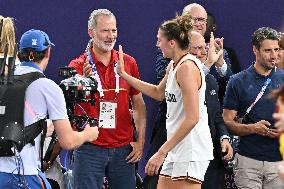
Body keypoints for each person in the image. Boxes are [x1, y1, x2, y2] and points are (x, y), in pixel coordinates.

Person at [117, 13, 213, 189]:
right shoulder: (173, 65)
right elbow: (158, 93)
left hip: (191, 149)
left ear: (172, 43)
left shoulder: (187, 68)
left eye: (159, 39)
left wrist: (161, 152)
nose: (156, 44)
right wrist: (124, 76)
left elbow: (193, 118)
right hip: (177, 146)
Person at [0, 29, 99, 189]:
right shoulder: (48, 87)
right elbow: (68, 141)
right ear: (48, 52)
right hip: (24, 174)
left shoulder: (3, 79)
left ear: (20, 52)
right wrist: (88, 134)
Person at [68, 9, 146, 189]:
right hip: (89, 148)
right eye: (105, 31)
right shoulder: (78, 66)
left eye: (114, 31)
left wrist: (140, 141)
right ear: (91, 32)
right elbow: (71, 110)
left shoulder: (128, 63)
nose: (111, 36)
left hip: (124, 149)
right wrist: (83, 84)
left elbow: (139, 104)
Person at [223, 27, 284, 189]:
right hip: (247, 161)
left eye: (277, 50)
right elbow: (227, 122)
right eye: (268, 50)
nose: (274, 56)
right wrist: (252, 128)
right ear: (255, 50)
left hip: (278, 163)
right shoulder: (237, 81)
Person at [188, 31, 233, 189]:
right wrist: (207, 65)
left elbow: (216, 117)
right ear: (185, 50)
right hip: (187, 158)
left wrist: (225, 138)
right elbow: (191, 86)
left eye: (204, 48)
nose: (203, 53)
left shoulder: (211, 80)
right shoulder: (174, 75)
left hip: (212, 158)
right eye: (197, 48)